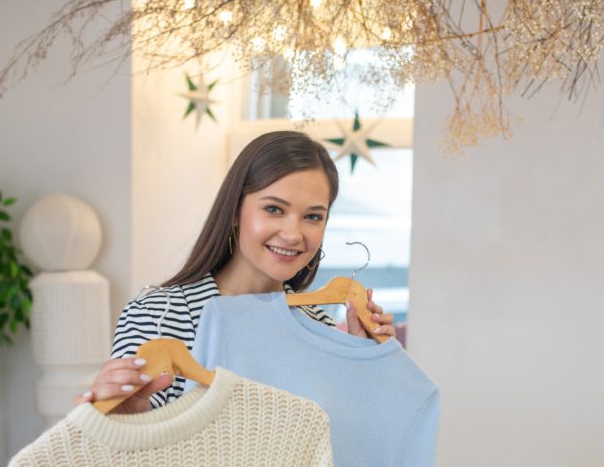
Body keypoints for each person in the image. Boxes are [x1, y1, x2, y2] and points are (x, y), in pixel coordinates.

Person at [79, 130, 396, 412]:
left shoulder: (320, 326)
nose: (293, 233)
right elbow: (132, 435)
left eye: (313, 217)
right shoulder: (158, 313)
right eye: (274, 209)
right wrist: (124, 414)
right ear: (234, 212)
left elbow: (347, 444)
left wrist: (365, 364)